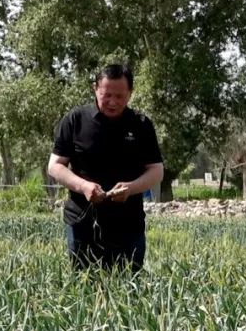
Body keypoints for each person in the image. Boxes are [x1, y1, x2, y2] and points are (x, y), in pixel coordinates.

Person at [48, 64, 164, 272]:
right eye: (106, 95)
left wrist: (131, 188)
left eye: (120, 96)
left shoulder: (142, 125)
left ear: (130, 93)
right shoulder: (75, 120)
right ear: (95, 89)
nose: (112, 102)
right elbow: (55, 166)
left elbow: (156, 170)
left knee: (129, 290)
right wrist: (84, 186)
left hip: (129, 225)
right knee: (85, 290)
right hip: (82, 222)